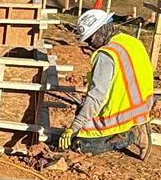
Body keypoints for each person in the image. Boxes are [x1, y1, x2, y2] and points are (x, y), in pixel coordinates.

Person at [49, 8, 154, 154]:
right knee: (83, 111)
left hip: (122, 115)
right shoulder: (131, 42)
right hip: (142, 108)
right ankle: (138, 125)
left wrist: (74, 127)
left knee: (80, 145)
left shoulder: (106, 55)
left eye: (90, 38)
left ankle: (133, 134)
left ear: (101, 30)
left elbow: (96, 97)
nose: (89, 44)